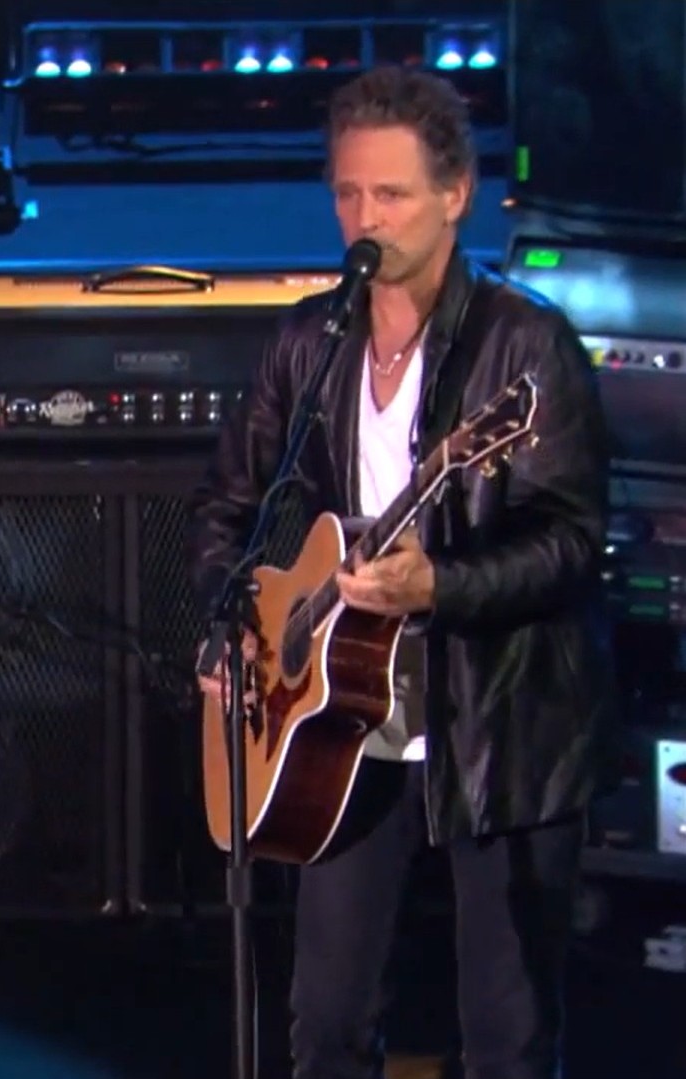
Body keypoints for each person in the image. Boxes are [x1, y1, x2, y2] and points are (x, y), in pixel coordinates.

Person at [188, 67, 614, 1079]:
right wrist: (226, 631)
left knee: (505, 1036)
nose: (364, 218)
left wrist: (439, 586)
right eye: (347, 193)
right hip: (339, 727)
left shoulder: (525, 344)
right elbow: (228, 509)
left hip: (497, 726)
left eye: (390, 194)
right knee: (326, 1024)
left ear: (454, 194)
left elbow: (569, 541)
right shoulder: (310, 340)